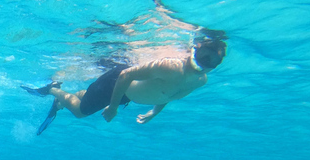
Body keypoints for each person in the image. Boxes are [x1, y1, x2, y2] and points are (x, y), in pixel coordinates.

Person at [22, 35, 227, 133]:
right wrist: (112, 107)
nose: (204, 64)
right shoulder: (172, 67)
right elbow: (126, 74)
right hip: (117, 83)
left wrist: (154, 112)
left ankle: (60, 102)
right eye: (203, 56)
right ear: (195, 49)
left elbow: (170, 93)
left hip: (128, 94)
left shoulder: (200, 81)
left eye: (212, 62)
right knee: (80, 112)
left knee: (89, 95)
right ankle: (53, 90)